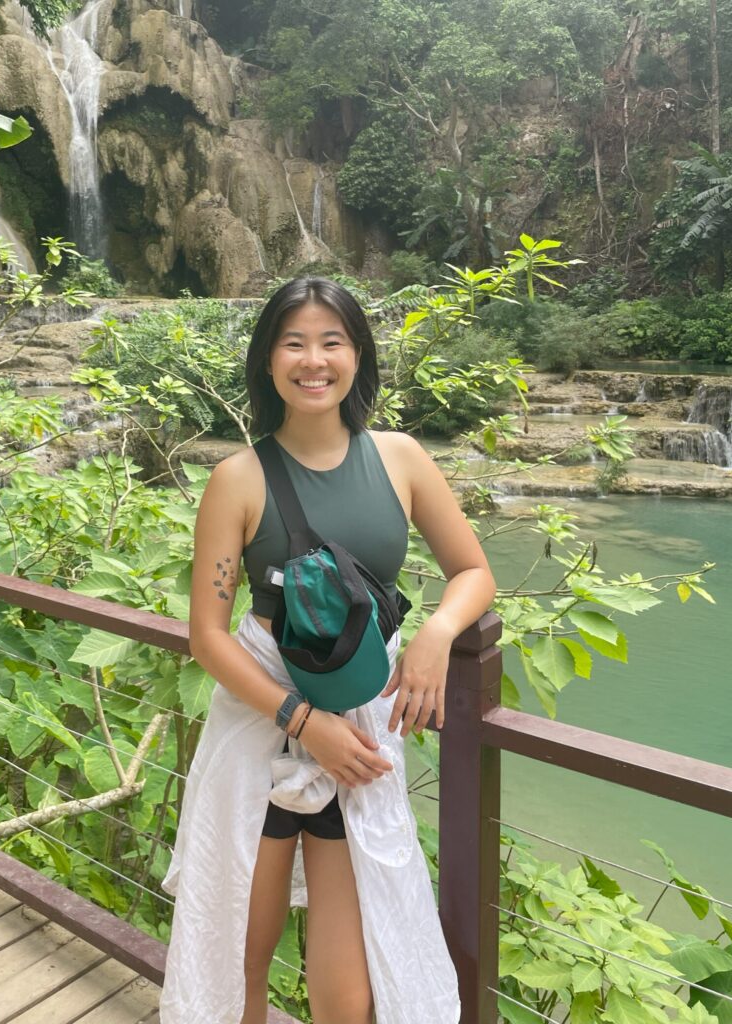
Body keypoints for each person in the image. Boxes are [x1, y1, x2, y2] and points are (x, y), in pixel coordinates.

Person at [159, 277, 496, 1024]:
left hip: (365, 726)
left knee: (353, 969)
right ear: (268, 361)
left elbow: (473, 571)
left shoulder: (401, 459)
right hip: (265, 721)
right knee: (240, 949)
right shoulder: (237, 479)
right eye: (294, 343)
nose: (314, 361)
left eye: (332, 342)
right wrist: (305, 721)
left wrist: (437, 633)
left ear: (358, 356)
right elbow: (208, 636)